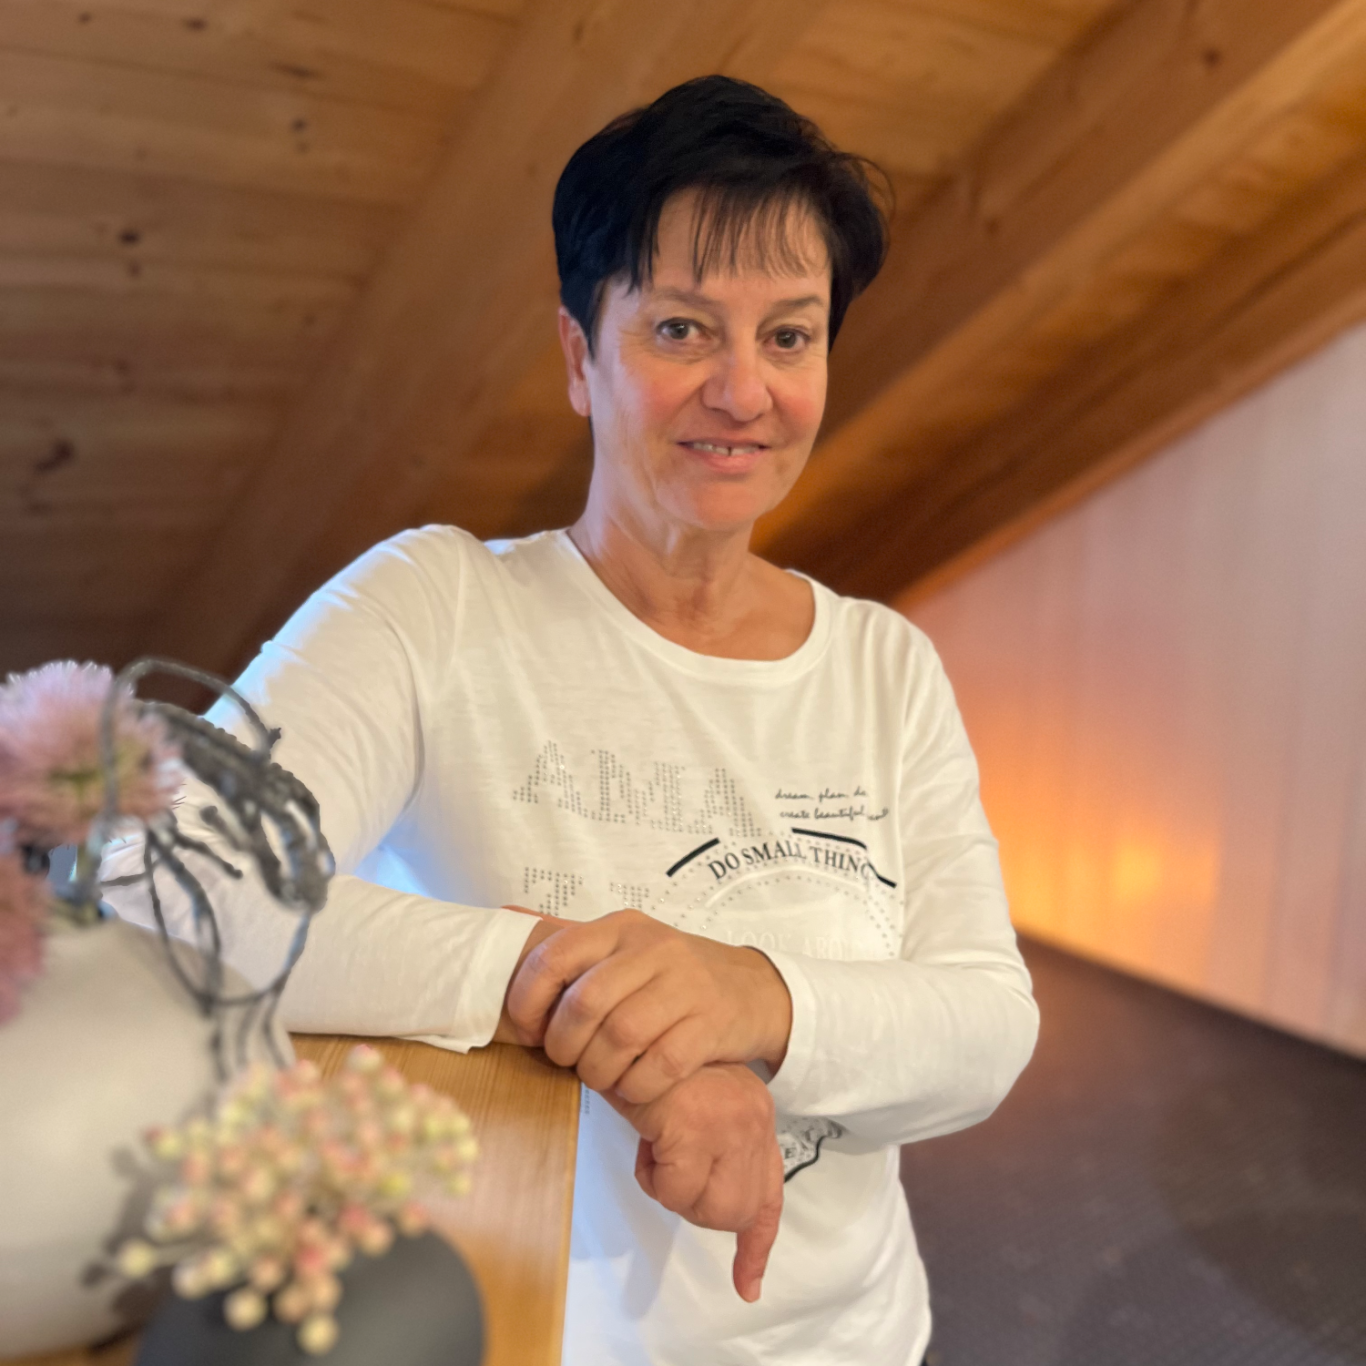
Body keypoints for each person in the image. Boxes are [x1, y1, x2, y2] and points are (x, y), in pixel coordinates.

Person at [103, 76, 1038, 1366]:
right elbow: (165, 882)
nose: (745, 391)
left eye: (790, 336)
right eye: (681, 329)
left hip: (856, 1334)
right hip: (533, 1327)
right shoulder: (435, 607)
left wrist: (749, 997)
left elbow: (986, 1030)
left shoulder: (887, 665)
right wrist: (576, 990)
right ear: (577, 356)